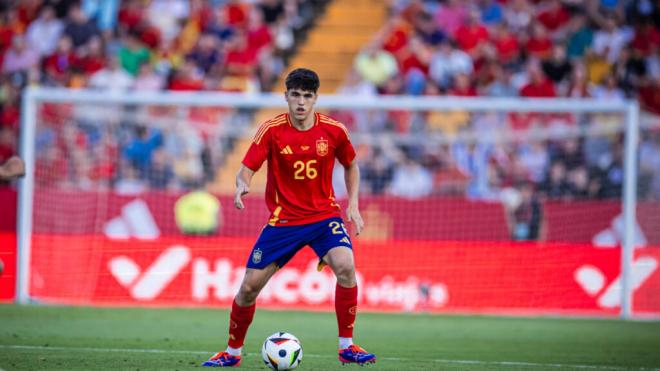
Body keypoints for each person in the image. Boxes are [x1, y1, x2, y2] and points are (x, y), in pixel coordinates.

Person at [202, 68, 376, 367]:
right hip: (284, 222)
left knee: (347, 267)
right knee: (247, 289)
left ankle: (346, 347)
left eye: (307, 96)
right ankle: (231, 354)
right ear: (286, 96)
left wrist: (354, 205)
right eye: (295, 95)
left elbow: (351, 165)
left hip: (324, 218)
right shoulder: (271, 130)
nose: (300, 102)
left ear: (315, 99)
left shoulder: (334, 131)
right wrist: (242, 183)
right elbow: (247, 167)